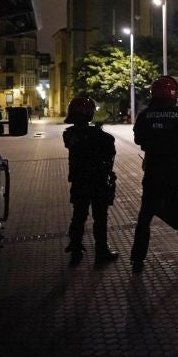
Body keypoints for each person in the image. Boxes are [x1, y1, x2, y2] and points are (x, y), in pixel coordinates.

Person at [130, 75, 178, 273]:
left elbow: (138, 139)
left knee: (145, 216)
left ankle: (137, 258)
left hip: (152, 171)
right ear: (174, 95)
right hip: (174, 171)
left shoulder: (145, 115)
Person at [62, 96, 118, 266]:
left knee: (79, 215)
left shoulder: (69, 134)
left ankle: (76, 248)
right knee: (100, 218)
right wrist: (97, 130)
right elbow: (110, 144)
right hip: (97, 181)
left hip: (79, 181)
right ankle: (101, 251)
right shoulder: (98, 135)